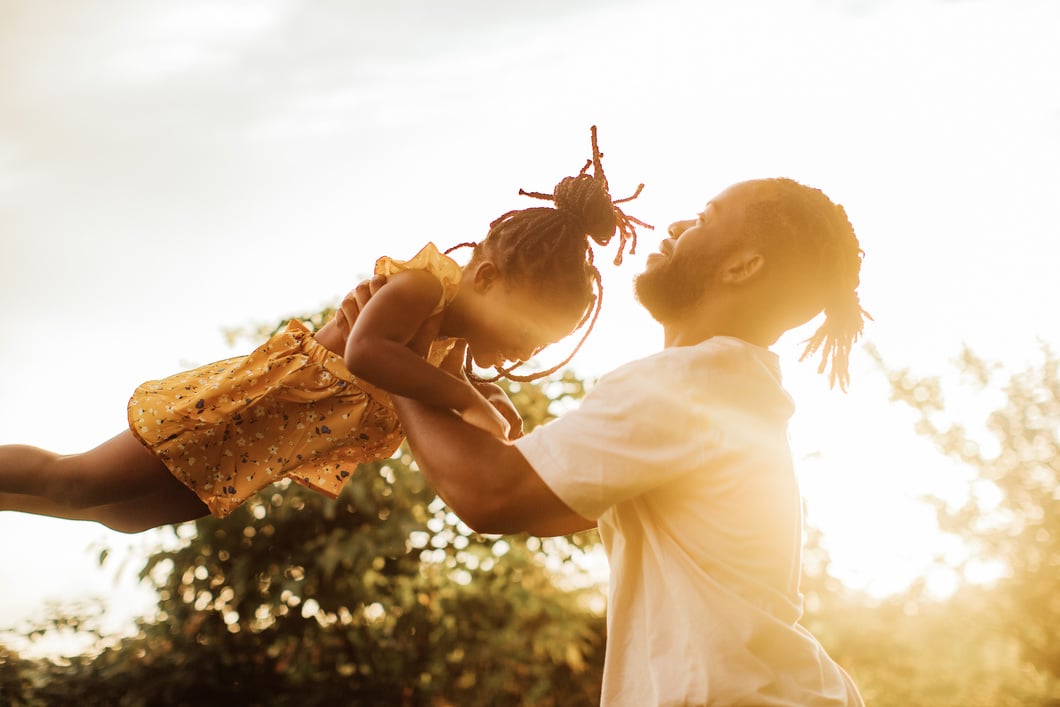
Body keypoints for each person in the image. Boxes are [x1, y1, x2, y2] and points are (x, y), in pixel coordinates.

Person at [353, 177, 868, 705]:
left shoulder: (688, 383)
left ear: (742, 266)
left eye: (706, 218)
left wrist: (403, 359)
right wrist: (460, 395)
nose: (677, 225)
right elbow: (548, 509)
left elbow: (491, 495)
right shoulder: (729, 386)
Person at [0, 127, 650, 534]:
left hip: (259, 452)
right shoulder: (421, 287)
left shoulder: (446, 349)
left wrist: (486, 403)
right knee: (78, 479)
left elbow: (467, 405)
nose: (525, 351)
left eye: (540, 346)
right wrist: (470, 399)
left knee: (126, 516)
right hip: (237, 410)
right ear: (484, 278)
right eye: (526, 331)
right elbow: (369, 352)